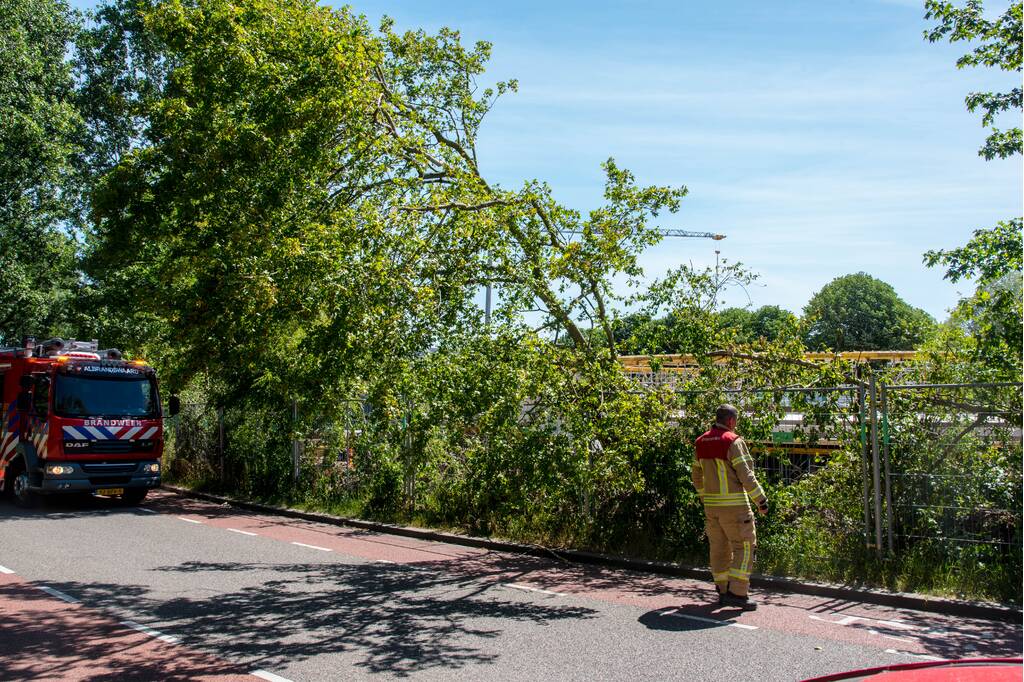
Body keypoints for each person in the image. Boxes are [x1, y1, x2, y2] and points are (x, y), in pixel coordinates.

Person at [691, 404, 768, 610]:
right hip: (735, 508)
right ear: (731, 421)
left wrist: (704, 497)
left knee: (718, 549)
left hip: (711, 507)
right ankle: (738, 593)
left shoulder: (701, 441)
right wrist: (760, 500)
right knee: (744, 547)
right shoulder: (733, 441)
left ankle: (723, 589)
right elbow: (746, 475)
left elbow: (696, 475)